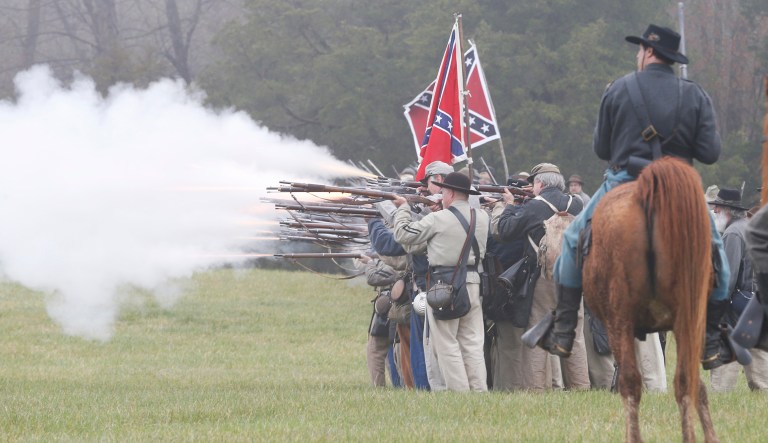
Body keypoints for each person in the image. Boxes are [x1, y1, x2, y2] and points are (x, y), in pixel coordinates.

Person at [527, 24, 731, 370]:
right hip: (679, 188)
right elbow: (710, 153)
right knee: (717, 252)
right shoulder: (695, 94)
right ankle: (711, 337)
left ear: (649, 53)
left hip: (623, 181)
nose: (638, 55)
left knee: (574, 241)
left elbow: (602, 148)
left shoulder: (619, 88)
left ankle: (562, 329)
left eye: (639, 50)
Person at [494, 163, 589, 390]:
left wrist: (509, 205)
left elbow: (504, 231)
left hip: (543, 277)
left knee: (537, 331)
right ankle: (581, 387)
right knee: (574, 335)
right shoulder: (577, 202)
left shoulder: (535, 206)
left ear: (540, 183)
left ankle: (536, 390)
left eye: (534, 183)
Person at [392, 172, 489, 392]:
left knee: (446, 343)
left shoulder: (438, 219)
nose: (440, 195)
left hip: (445, 285)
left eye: (443, 191)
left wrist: (403, 209)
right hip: (474, 283)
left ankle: (459, 392)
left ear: (451, 193)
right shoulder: (482, 217)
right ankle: (478, 391)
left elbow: (404, 235)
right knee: (473, 343)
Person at [709, 188, 768, 391]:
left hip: (736, 304)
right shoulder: (747, 227)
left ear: (727, 210)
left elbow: (729, 276)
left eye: (717, 206)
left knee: (728, 349)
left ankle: (721, 393)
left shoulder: (733, 233)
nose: (714, 210)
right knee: (758, 354)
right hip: (753, 301)